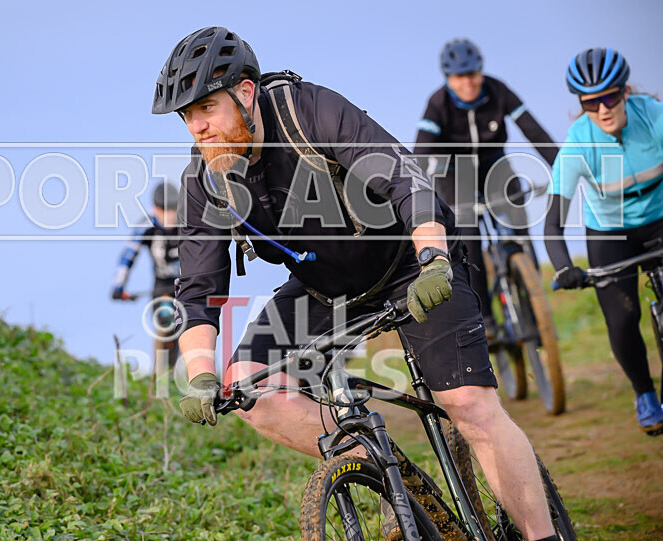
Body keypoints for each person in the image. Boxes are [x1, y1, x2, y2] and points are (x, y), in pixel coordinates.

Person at [156, 26, 558, 540]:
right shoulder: (206, 181)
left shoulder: (307, 111)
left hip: (409, 263)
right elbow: (196, 286)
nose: (197, 126)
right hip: (326, 290)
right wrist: (198, 373)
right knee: (249, 387)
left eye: (206, 107)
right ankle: (394, 479)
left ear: (246, 91)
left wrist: (433, 255)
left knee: (468, 406)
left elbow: (403, 175)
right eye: (186, 116)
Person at [544, 47, 663, 436]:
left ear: (625, 91)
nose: (603, 109)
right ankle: (644, 393)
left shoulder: (654, 116)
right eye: (591, 102)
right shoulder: (578, 144)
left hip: (660, 218)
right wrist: (564, 267)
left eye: (610, 97)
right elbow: (552, 223)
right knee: (624, 316)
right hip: (611, 232)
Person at [414, 38, 559, 335]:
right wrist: (414, 187)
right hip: (457, 172)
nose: (467, 83)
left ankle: (533, 306)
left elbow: (534, 129)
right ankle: (486, 319)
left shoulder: (497, 90)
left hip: (495, 163)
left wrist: (562, 165)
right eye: (459, 77)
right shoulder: (438, 103)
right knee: (468, 237)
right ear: (448, 79)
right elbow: (421, 150)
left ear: (481, 71)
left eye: (472, 74)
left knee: (519, 218)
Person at [111, 182, 181, 380]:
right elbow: (128, 256)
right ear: (155, 209)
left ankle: (175, 378)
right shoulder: (146, 226)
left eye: (174, 210)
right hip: (163, 287)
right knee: (165, 321)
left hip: (188, 286)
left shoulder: (187, 223)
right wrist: (119, 286)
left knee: (187, 328)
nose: (170, 217)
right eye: (165, 211)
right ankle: (159, 377)